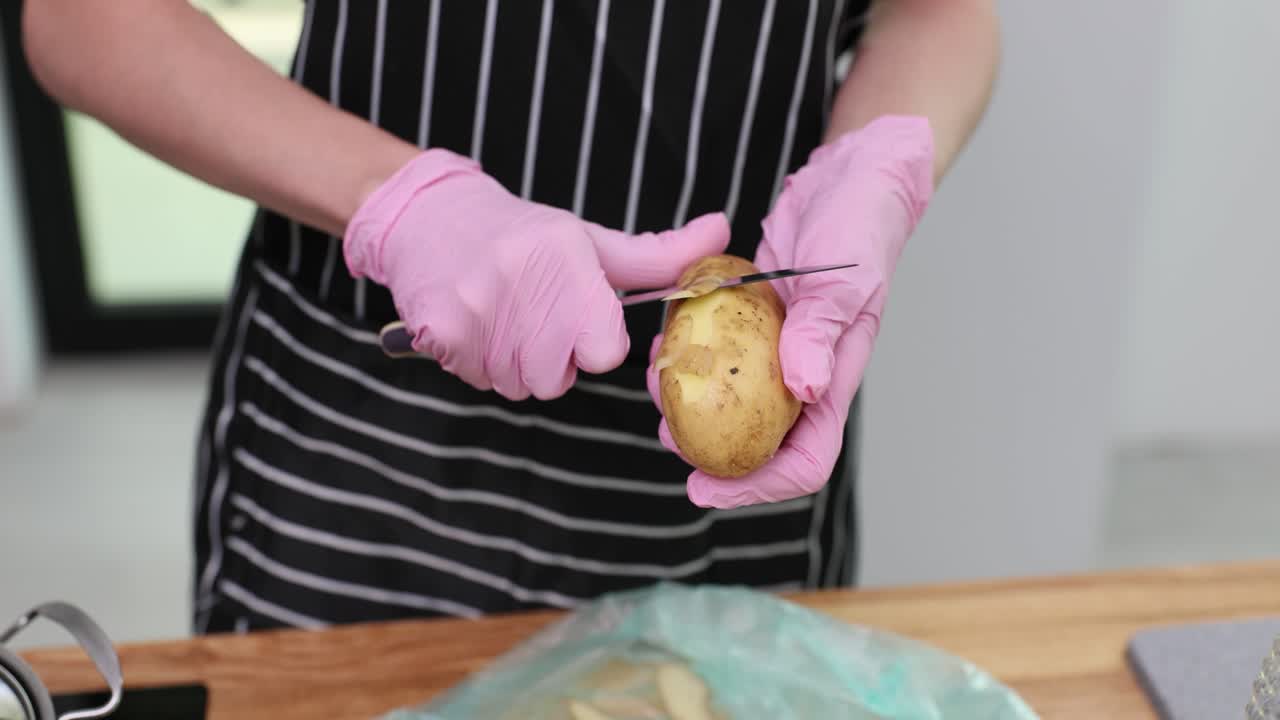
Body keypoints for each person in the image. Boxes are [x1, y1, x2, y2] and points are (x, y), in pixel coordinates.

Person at [22, 0, 999, 633]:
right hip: (357, 445)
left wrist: (875, 166)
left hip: (726, 478)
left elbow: (932, 15)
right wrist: (400, 205)